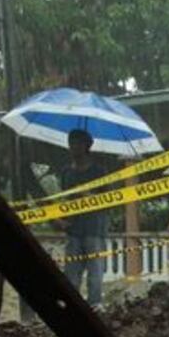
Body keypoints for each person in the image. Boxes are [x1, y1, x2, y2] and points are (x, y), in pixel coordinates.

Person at [57, 129, 108, 307]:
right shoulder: (66, 172)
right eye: (71, 143)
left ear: (87, 146)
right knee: (71, 272)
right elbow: (63, 198)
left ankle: (95, 305)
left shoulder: (99, 171)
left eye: (77, 143)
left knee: (95, 272)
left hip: (94, 228)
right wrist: (61, 219)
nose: (73, 147)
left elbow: (110, 200)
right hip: (73, 229)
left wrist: (91, 197)